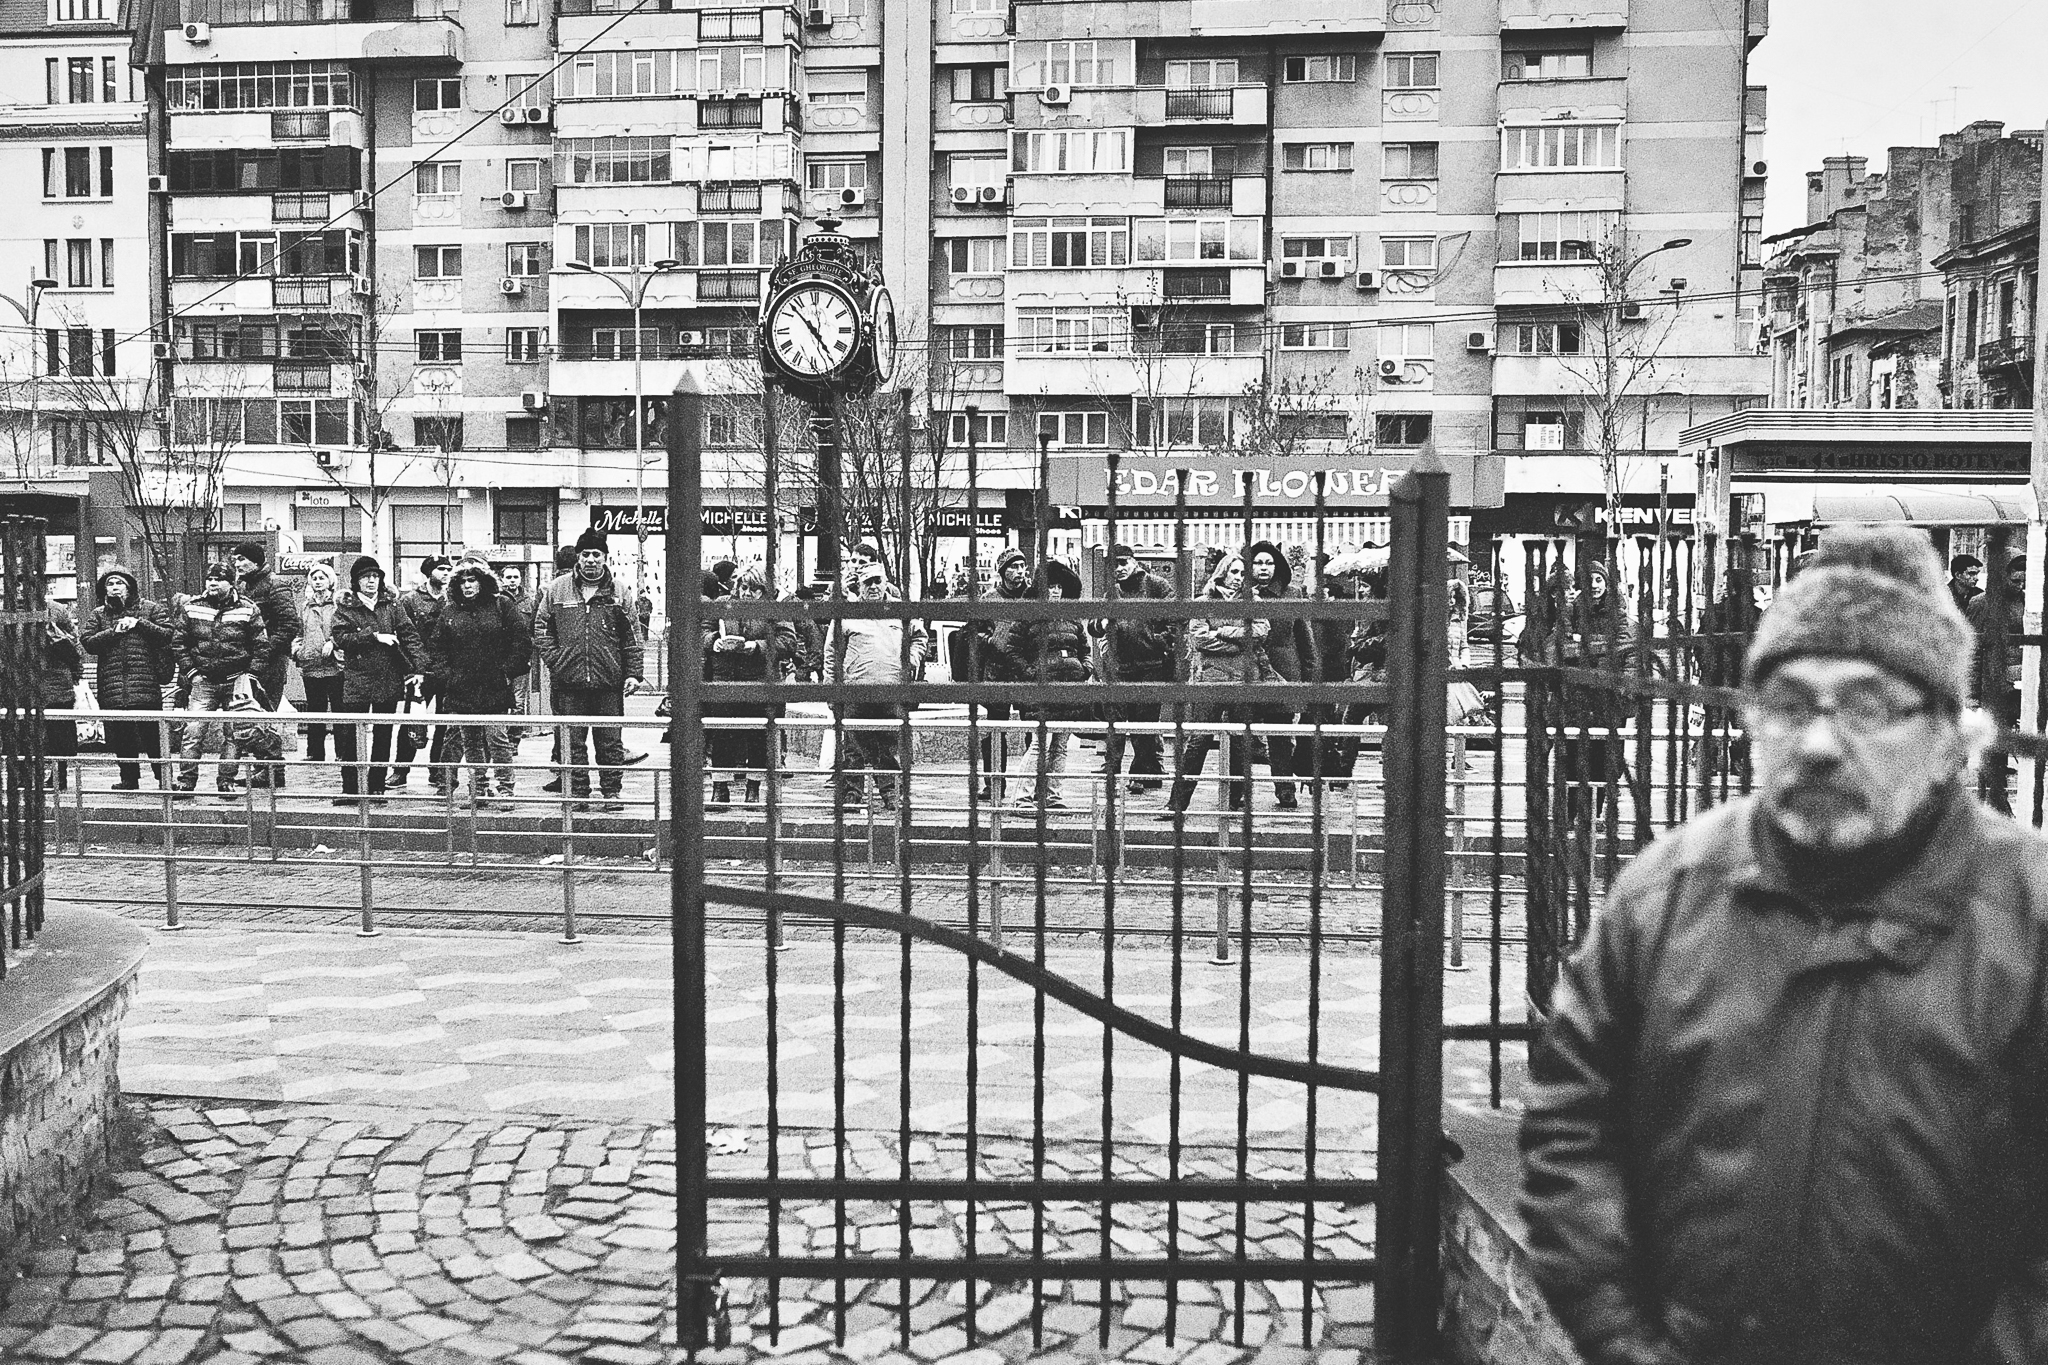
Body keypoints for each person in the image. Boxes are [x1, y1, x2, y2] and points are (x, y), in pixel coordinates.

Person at [1520, 523, 2048, 1365]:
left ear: (1950, 738)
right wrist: (1625, 1339)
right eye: (1790, 704)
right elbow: (1572, 1128)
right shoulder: (1665, 897)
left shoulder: (2027, 920)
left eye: (1868, 706)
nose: (1820, 744)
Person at [533, 529, 646, 811]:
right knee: (571, 742)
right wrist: (557, 661)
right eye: (586, 554)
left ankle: (612, 792)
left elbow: (632, 636)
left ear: (605, 557)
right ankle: (578, 793)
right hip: (568, 682)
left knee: (610, 742)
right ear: (578, 557)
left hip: (608, 681)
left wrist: (633, 673)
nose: (591, 560)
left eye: (597, 554)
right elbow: (542, 628)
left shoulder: (619, 591)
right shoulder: (556, 589)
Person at [1163, 553, 1271, 817]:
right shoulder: (1203, 602)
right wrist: (1238, 644)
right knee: (1198, 741)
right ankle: (1177, 803)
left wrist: (1222, 632)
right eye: (1234, 572)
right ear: (1223, 572)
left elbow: (1260, 633)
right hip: (1209, 680)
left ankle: (1235, 800)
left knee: (1240, 742)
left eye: (1243, 573)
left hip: (1243, 680)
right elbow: (1200, 639)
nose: (1239, 578)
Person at [826, 561, 926, 812]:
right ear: (859, 586)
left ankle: (891, 793)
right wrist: (830, 688)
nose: (873, 587)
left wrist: (911, 660)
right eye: (867, 582)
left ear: (885, 583)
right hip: (855, 691)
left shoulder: (901, 611)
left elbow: (919, 637)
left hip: (892, 691)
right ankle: (851, 794)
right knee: (852, 748)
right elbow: (832, 653)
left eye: (877, 581)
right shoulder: (846, 614)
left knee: (889, 745)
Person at [433, 562, 530, 807]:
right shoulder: (450, 610)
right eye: (462, 582)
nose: (467, 586)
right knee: (471, 741)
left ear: (482, 582)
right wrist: (447, 676)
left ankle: (506, 789)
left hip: (494, 684)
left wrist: (507, 672)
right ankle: (479, 789)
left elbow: (520, 640)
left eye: (472, 580)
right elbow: (438, 646)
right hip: (462, 687)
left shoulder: (501, 604)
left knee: (497, 738)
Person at [168, 563, 268, 798]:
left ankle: (226, 781)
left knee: (234, 734)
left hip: (236, 680)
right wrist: (192, 673)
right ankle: (186, 781)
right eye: (209, 579)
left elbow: (261, 645)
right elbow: (179, 643)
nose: (212, 583)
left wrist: (250, 675)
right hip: (203, 680)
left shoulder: (248, 609)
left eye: (218, 579)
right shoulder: (192, 607)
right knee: (193, 732)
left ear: (231, 583)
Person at [330, 557, 424, 804]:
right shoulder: (346, 607)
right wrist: (374, 636)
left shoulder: (391, 605)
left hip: (387, 677)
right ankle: (350, 788)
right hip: (357, 678)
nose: (371, 581)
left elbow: (409, 635)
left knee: (383, 734)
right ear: (356, 581)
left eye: (375, 576)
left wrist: (419, 668)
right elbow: (341, 638)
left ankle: (376, 787)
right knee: (351, 735)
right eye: (365, 577)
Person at [704, 566, 796, 811]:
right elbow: (702, 632)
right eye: (744, 587)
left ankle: (753, 789)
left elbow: (788, 641)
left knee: (758, 737)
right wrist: (714, 642)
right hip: (725, 680)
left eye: (754, 589)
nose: (747, 593)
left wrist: (757, 646)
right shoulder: (722, 604)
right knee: (722, 735)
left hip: (760, 681)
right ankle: (720, 788)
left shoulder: (774, 609)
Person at [81, 566, 174, 789]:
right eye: (110, 584)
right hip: (113, 685)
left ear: (129, 587)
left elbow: (167, 634)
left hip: (144, 684)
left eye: (119, 583)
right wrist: (114, 631)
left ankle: (164, 779)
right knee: (121, 736)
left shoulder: (150, 609)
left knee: (152, 736)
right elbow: (88, 642)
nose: (115, 588)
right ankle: (129, 779)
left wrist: (139, 623)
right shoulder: (99, 614)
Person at [1094, 544, 1175, 794]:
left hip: (1151, 666)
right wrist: (1101, 624)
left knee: (1144, 725)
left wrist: (1159, 641)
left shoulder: (1156, 586)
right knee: (1116, 722)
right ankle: (1114, 770)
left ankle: (1139, 773)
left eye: (1122, 563)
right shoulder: (1112, 593)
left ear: (1134, 562)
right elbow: (1093, 624)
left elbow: (1177, 618)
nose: (1118, 569)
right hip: (1119, 667)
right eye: (1113, 565)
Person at [1011, 559, 1090, 811]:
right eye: (1051, 586)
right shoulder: (1028, 615)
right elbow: (1012, 649)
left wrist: (1085, 668)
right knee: (1039, 745)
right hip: (1042, 691)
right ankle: (1023, 798)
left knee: (1060, 747)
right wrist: (1032, 674)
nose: (1055, 591)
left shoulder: (1072, 618)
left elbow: (1085, 648)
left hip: (1069, 689)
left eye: (1059, 587)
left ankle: (1052, 796)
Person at [1247, 540, 1314, 810]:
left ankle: (1285, 790)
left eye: (1269, 563)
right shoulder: (1238, 593)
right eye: (1258, 562)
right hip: (1247, 671)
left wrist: (1309, 679)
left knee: (1280, 737)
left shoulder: (1292, 594)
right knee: (1241, 735)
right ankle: (1237, 791)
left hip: (1283, 672)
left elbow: (1305, 640)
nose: (1263, 568)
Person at [231, 540, 301, 789]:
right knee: (252, 714)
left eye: (242, 559)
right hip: (250, 661)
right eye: (235, 559)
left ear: (256, 561)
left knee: (264, 713)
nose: (237, 564)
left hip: (270, 662)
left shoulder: (275, 585)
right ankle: (265, 767)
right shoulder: (243, 586)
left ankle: (274, 769)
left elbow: (290, 625)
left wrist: (264, 649)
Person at [965, 547, 1033, 800]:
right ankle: (994, 784)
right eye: (1013, 567)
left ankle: (1032, 786)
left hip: (1025, 671)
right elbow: (973, 633)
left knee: (1033, 731)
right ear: (1003, 571)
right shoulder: (989, 599)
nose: (1019, 571)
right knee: (995, 731)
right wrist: (991, 640)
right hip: (997, 672)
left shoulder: (1032, 597)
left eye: (1022, 566)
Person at [391, 555, 452, 792]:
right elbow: (404, 636)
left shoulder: (453, 598)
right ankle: (401, 770)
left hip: (446, 670)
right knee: (412, 721)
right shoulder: (410, 600)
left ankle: (437, 770)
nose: (446, 573)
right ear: (428, 572)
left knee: (444, 724)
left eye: (448, 569)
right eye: (440, 569)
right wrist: (411, 669)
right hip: (420, 672)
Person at [294, 564, 344, 766]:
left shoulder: (339, 604)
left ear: (330, 581)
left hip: (335, 666)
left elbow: (344, 630)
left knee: (340, 710)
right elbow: (299, 632)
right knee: (315, 711)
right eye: (314, 578)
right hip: (311, 666)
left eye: (322, 578)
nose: (318, 581)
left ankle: (343, 752)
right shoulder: (305, 606)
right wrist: (297, 650)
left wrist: (334, 643)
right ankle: (315, 753)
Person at [38, 600, 84, 790]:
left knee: (57, 733)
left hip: (55, 681)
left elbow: (74, 643)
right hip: (33, 681)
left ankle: (58, 777)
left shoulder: (55, 609)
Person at [498, 564, 536, 742]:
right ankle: (501, 741)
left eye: (515, 577)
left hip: (521, 659)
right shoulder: (496, 600)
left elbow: (535, 626)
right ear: (501, 579)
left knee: (519, 703)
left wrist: (530, 646)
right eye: (508, 577)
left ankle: (514, 741)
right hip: (499, 659)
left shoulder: (529, 601)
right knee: (499, 701)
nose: (512, 581)